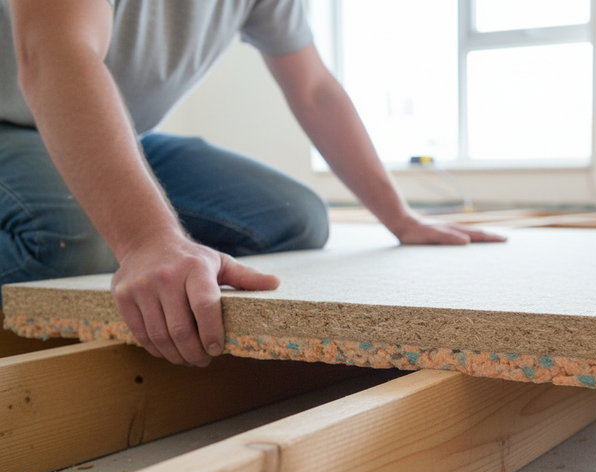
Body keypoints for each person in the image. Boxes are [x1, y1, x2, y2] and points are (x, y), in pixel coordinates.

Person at [1, 0, 504, 368]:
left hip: (123, 134)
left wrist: (401, 217)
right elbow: (54, 54)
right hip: (13, 125)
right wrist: (144, 240)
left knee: (295, 216)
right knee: (66, 239)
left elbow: (315, 90)